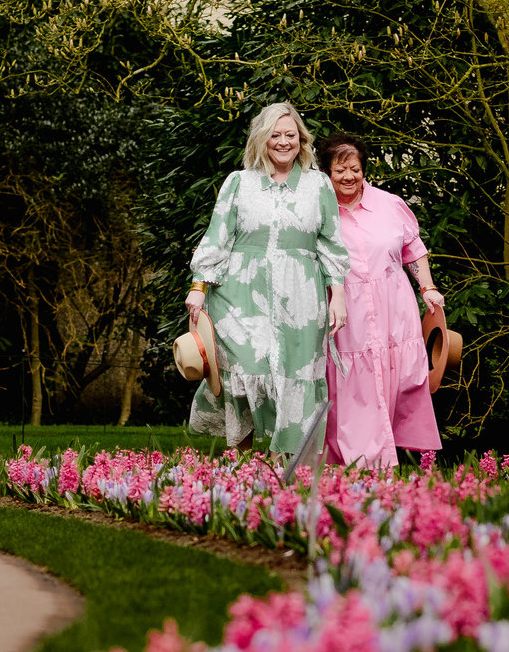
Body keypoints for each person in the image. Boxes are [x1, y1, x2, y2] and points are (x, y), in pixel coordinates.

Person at [184, 102, 349, 455]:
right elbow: (217, 238)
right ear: (262, 139)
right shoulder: (239, 183)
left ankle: (283, 464)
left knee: (293, 377)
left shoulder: (318, 184)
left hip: (301, 300)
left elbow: (332, 244)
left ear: (301, 140)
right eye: (275, 135)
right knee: (243, 372)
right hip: (239, 296)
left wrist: (339, 296)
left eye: (290, 134)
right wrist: (198, 287)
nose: (283, 142)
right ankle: (241, 461)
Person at [318, 132, 443, 466]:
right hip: (346, 315)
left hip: (393, 312)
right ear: (326, 173)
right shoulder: (319, 213)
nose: (348, 177)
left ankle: (384, 464)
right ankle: (362, 465)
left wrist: (427, 287)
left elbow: (413, 251)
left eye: (354, 169)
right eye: (339, 170)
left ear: (364, 169)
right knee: (354, 389)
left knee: (398, 381)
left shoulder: (390, 205)